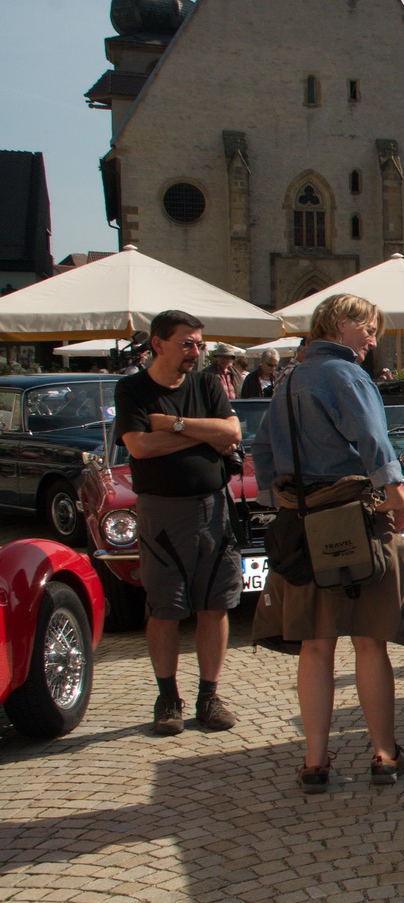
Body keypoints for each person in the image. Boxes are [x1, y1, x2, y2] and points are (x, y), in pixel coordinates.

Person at [251, 294, 404, 793]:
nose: (372, 339)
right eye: (367, 329)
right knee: (369, 641)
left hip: (302, 521)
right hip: (355, 519)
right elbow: (372, 437)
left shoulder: (287, 379)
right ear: (340, 323)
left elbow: (260, 449)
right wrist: (395, 489)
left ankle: (316, 761)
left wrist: (276, 500)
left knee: (315, 647)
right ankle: (384, 755)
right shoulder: (345, 375)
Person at [113, 310, 244, 736]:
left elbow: (232, 433)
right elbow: (140, 446)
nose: (196, 351)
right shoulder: (133, 388)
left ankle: (210, 695)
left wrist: (176, 424)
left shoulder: (206, 382)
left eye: (199, 343)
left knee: (215, 605)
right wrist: (204, 432)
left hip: (213, 507)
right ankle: (167, 696)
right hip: (162, 513)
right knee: (165, 608)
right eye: (187, 343)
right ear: (158, 344)